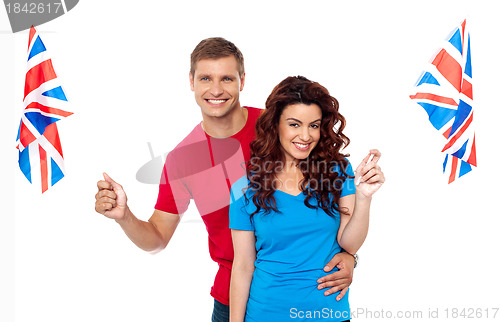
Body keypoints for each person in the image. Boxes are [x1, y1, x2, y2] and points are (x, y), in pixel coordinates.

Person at [94, 38, 356, 322]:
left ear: (242, 81)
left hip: (306, 294)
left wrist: (350, 255)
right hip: (231, 298)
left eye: (227, 78)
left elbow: (332, 190)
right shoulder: (182, 161)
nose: (216, 90)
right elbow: (157, 239)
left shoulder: (280, 126)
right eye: (206, 78)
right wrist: (124, 217)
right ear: (191, 81)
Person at [229, 76, 385, 321]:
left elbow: (350, 244)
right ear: (275, 124)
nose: (305, 136)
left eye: (313, 125)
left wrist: (364, 198)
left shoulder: (338, 171)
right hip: (266, 312)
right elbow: (242, 266)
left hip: (327, 313)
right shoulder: (244, 188)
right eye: (294, 124)